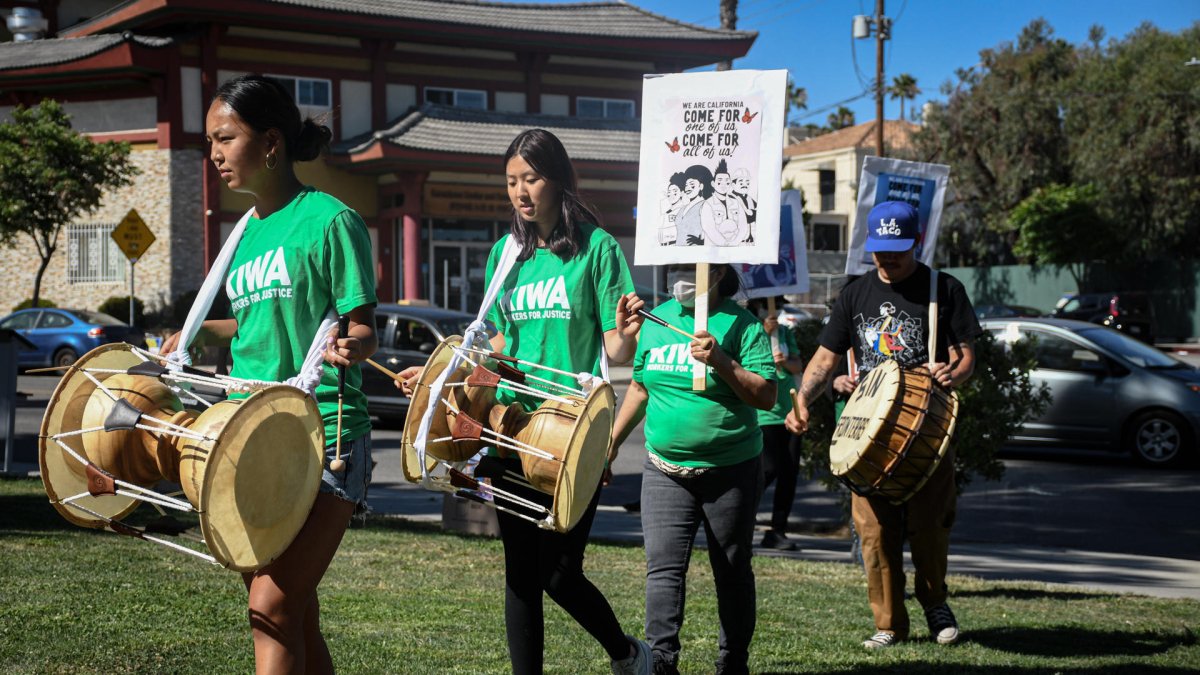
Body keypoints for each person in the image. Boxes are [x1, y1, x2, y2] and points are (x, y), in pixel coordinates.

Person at [398, 128, 650, 675]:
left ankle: (628, 654)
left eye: (530, 178)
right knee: (519, 571)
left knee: (559, 572)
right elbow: (501, 342)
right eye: (511, 180)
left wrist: (627, 332)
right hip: (510, 428)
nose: (520, 191)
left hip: (568, 432)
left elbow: (613, 346)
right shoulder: (504, 255)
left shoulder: (596, 249)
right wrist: (441, 376)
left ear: (557, 179)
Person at [162, 74, 378, 673]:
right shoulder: (243, 236)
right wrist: (204, 331)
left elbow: (363, 326)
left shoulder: (331, 221)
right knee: (291, 612)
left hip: (325, 435)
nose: (215, 154)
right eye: (211, 141)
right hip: (251, 433)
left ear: (271, 142)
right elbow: (259, 327)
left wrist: (350, 347)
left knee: (271, 608)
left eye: (225, 138)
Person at [785, 201, 981, 649]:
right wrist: (803, 400)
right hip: (868, 438)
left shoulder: (943, 288)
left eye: (896, 249)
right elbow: (825, 358)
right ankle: (888, 623)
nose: (886, 259)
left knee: (930, 525)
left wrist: (958, 369)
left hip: (926, 434)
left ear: (916, 241)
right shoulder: (855, 293)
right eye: (879, 250)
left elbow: (967, 352)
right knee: (874, 533)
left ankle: (935, 604)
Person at [609, 264, 776, 675]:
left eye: (690, 268)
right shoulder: (656, 320)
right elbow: (640, 386)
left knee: (732, 569)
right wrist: (610, 442)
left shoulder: (743, 325)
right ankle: (661, 660)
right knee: (663, 570)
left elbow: (767, 395)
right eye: (675, 267)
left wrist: (721, 361)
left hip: (730, 472)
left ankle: (732, 661)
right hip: (664, 470)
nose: (678, 276)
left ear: (715, 272)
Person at [749, 297, 805, 551]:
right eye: (769, 305)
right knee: (768, 468)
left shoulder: (785, 332)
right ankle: (742, 517)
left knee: (789, 472)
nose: (775, 310)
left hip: (789, 411)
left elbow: (797, 365)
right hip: (765, 414)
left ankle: (777, 530)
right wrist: (763, 333)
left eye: (778, 305)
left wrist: (784, 361)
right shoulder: (750, 329)